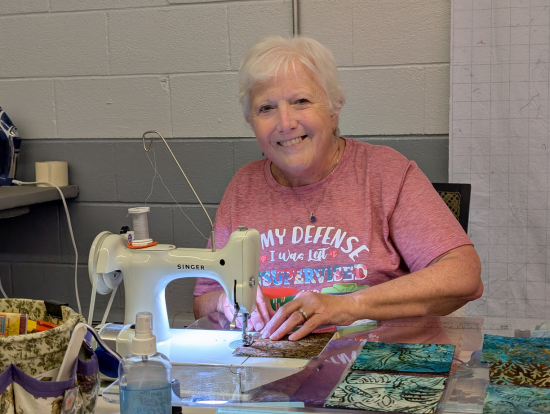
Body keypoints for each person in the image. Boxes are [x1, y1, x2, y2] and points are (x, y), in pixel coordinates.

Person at [193, 36, 483, 341]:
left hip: (382, 364)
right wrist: (226, 302)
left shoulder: (385, 173)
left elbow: (463, 275)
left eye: (301, 101)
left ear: (334, 110)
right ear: (251, 122)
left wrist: (349, 306)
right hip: (275, 366)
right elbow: (203, 300)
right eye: (266, 108)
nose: (285, 122)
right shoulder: (243, 187)